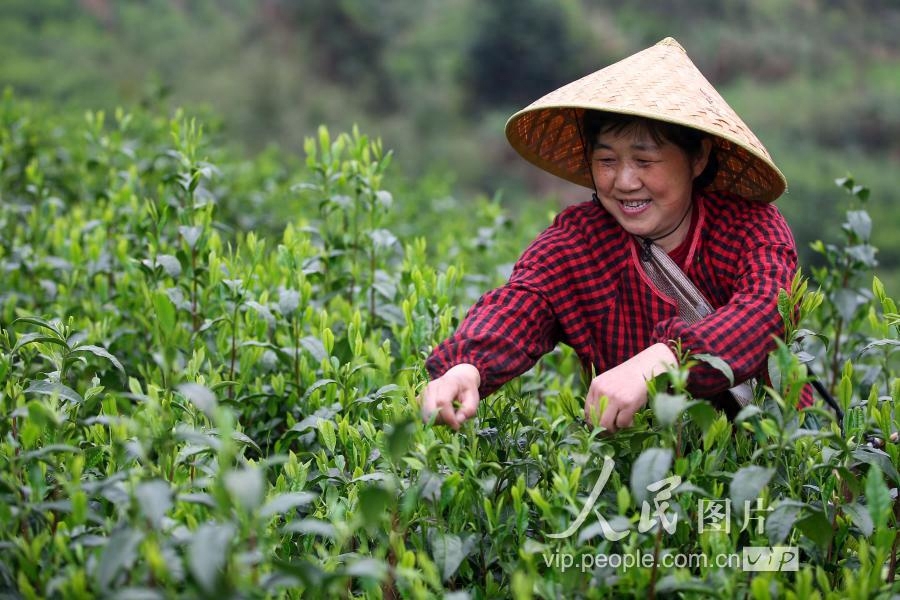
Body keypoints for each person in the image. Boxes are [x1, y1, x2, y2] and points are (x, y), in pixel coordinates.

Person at [421, 37, 812, 433]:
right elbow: (525, 301)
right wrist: (466, 367)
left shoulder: (750, 226)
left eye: (645, 160)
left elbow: (767, 311)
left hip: (772, 457)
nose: (624, 182)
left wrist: (666, 358)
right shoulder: (580, 241)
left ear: (698, 157)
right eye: (606, 160)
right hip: (639, 465)